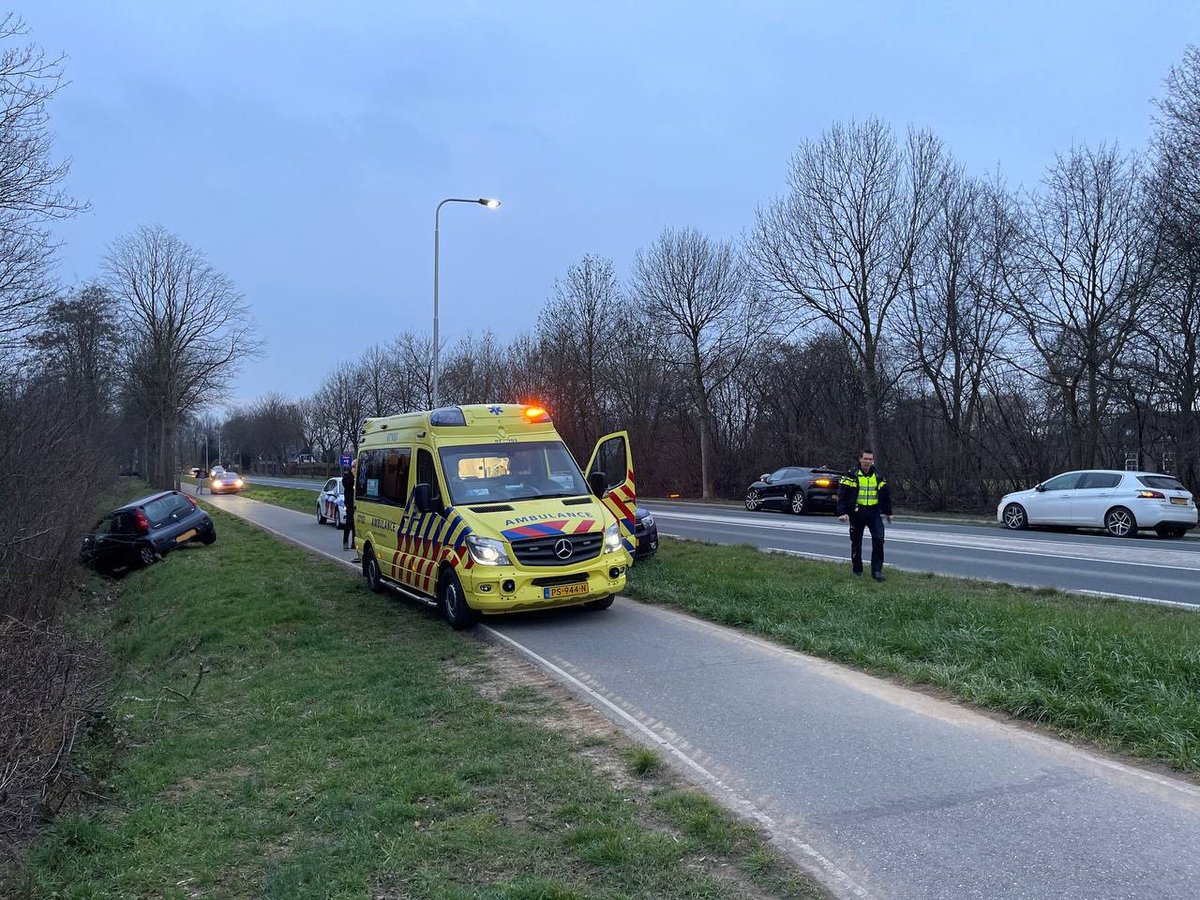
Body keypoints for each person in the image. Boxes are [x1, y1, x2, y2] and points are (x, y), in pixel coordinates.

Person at [836, 449, 893, 582]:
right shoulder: (851, 475)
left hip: (874, 512)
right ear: (860, 459)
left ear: (873, 460)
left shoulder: (878, 475)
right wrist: (842, 512)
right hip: (857, 512)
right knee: (856, 542)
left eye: (870, 459)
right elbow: (842, 495)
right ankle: (857, 570)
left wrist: (889, 512)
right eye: (865, 459)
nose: (867, 462)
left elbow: (885, 495)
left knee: (879, 539)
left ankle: (877, 571)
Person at [342, 459, 357, 557]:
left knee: (356, 523)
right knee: (349, 522)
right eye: (355, 466)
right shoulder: (348, 474)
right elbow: (346, 484)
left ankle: (354, 542)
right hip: (349, 502)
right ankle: (345, 542)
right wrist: (353, 477)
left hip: (357, 502)